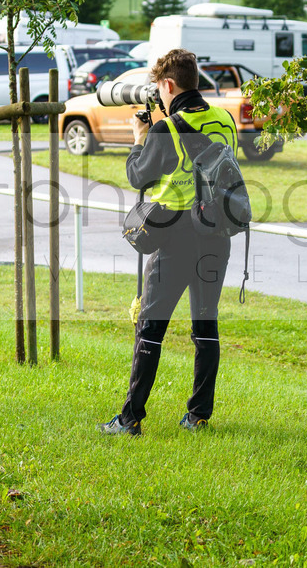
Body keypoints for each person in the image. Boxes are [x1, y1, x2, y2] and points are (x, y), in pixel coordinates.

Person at [99, 49, 238, 436]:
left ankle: (129, 420)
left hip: (175, 237)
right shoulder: (224, 119)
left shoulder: (165, 129)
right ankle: (197, 416)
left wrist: (140, 137)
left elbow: (137, 176)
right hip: (217, 233)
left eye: (158, 88)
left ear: (168, 85)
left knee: (151, 328)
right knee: (205, 325)